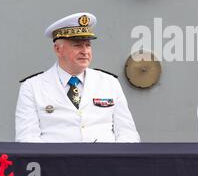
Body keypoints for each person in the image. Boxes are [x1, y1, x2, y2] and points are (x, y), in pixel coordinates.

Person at [15, 12, 140, 142]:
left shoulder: (109, 82)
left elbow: (127, 133)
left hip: (104, 161)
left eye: (88, 45)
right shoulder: (32, 87)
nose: (85, 51)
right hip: (56, 162)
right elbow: (27, 138)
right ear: (58, 49)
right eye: (77, 45)